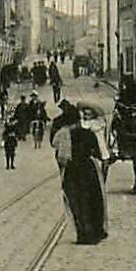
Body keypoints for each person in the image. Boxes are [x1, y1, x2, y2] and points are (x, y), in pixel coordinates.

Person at [52, 102, 107, 244]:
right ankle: (94, 232)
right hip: (87, 170)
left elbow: (58, 154)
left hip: (71, 171)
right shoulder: (88, 134)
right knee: (92, 200)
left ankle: (82, 234)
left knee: (75, 202)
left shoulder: (62, 135)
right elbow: (98, 153)